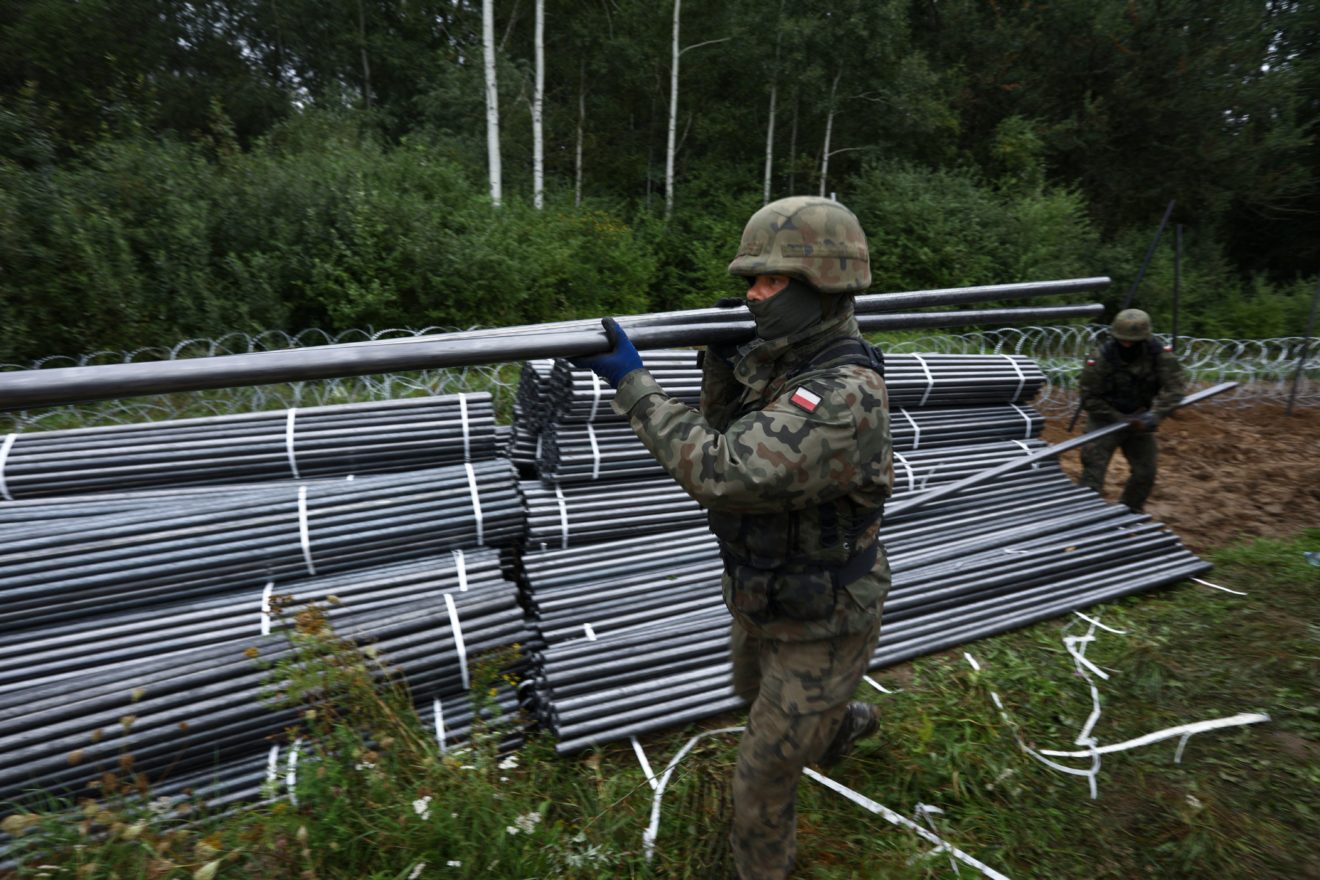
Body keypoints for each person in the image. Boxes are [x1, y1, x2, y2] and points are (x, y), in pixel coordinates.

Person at [571, 196, 892, 880]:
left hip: (827, 616)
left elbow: (725, 470)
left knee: (759, 787)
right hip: (764, 594)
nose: (752, 294)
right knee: (750, 693)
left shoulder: (843, 393)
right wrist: (722, 367)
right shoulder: (784, 359)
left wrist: (634, 385)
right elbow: (729, 425)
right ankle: (838, 722)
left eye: (768, 281)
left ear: (821, 284)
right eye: (751, 280)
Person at [1077, 308, 1187, 513]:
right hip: (1105, 419)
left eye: (1132, 341)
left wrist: (1155, 414)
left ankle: (1129, 512)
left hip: (1141, 417)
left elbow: (1175, 389)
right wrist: (1119, 418)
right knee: (1093, 471)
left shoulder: (1159, 356)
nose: (1127, 344)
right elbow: (1088, 398)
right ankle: (1085, 515)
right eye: (1122, 340)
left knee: (1146, 472)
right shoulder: (1101, 358)